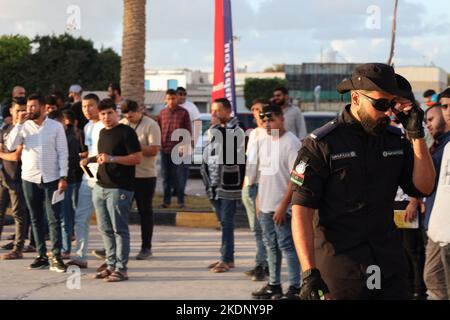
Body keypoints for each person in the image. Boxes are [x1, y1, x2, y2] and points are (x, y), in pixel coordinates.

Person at [290, 63, 436, 300]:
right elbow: (301, 211)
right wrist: (309, 274)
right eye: (380, 104)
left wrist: (417, 135)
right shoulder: (321, 144)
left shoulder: (395, 140)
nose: (388, 112)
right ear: (356, 98)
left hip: (388, 265)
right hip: (341, 269)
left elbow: (424, 187)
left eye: (391, 104)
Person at [6, 93, 69, 273]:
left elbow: (63, 152)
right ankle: (41, 255)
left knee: (54, 218)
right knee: (35, 218)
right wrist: (18, 123)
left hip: (52, 179)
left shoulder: (56, 127)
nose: (30, 110)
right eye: (28, 106)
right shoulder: (23, 127)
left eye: (33, 106)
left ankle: (56, 256)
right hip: (30, 178)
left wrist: (63, 177)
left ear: (42, 108)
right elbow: (10, 145)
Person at [251, 104, 302, 300]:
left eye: (271, 119)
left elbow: (296, 178)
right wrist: (258, 200)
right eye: (263, 120)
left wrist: (283, 205)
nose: (266, 123)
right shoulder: (264, 140)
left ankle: (295, 287)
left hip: (283, 208)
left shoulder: (292, 143)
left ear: (282, 119)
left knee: (287, 247)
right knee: (270, 246)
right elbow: (264, 173)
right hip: (265, 205)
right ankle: (274, 285)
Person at [89, 98, 141, 282]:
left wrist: (112, 159)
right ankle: (110, 265)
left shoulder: (126, 132)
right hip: (101, 187)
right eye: (102, 114)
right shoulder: (102, 132)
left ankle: (121, 268)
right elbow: (104, 156)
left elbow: (136, 158)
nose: (106, 117)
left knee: (119, 230)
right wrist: (89, 160)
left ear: (116, 112)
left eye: (110, 113)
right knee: (105, 229)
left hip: (120, 189)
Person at [201, 98, 246, 273]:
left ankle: (225, 259)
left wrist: (219, 130)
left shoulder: (237, 129)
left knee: (227, 222)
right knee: (222, 222)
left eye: (217, 110)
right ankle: (228, 258)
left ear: (228, 111)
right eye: (212, 110)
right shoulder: (214, 129)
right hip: (213, 183)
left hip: (228, 185)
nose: (213, 114)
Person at [66, 94, 104, 269]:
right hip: (87, 178)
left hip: (105, 181)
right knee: (81, 218)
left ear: (98, 106)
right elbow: (90, 151)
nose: (87, 110)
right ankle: (80, 257)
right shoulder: (87, 127)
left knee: (106, 221)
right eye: (83, 106)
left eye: (90, 106)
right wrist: (85, 157)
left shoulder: (106, 125)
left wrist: (91, 159)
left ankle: (111, 258)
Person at [120, 99, 161, 260]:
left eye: (132, 112)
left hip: (145, 176)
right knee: (121, 212)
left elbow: (154, 150)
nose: (129, 115)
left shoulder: (151, 125)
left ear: (140, 110)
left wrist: (134, 145)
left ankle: (146, 247)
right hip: (125, 176)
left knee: (145, 211)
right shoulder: (122, 124)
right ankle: (118, 246)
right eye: (125, 112)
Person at [423, 88, 450, 299]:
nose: (446, 111)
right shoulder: (443, 146)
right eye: (444, 106)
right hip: (438, 225)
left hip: (444, 228)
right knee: (432, 277)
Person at [48, 110, 83, 260]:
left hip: (66, 181)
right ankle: (59, 247)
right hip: (52, 180)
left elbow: (73, 161)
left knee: (65, 217)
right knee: (56, 216)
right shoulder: (54, 137)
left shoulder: (70, 138)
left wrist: (64, 177)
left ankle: (65, 249)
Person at [242, 99, 269, 281]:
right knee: (256, 229)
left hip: (261, 186)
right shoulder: (254, 134)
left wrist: (252, 182)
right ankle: (261, 262)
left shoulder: (271, 134)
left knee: (263, 230)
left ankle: (264, 265)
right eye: (254, 110)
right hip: (250, 184)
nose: (256, 114)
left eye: (260, 110)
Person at [0, 98, 28, 260]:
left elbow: (16, 156)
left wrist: (3, 154)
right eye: (18, 110)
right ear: (11, 111)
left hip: (18, 179)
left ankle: (18, 248)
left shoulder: (26, 130)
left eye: (24, 110)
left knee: (19, 214)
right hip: (4, 177)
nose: (21, 114)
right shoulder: (5, 129)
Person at [157, 89, 191, 208]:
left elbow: (188, 130)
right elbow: (158, 129)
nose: (171, 101)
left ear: (177, 98)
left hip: (179, 150)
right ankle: (166, 201)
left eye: (173, 98)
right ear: (166, 99)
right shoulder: (162, 113)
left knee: (179, 176)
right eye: (169, 99)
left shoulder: (184, 113)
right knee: (166, 176)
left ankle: (181, 201)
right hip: (165, 149)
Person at [176, 87, 201, 200]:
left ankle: (182, 189)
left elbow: (197, 123)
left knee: (183, 168)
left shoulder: (191, 107)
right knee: (173, 169)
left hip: (186, 141)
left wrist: (194, 140)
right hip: (172, 143)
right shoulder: (170, 106)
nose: (182, 96)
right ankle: (174, 190)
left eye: (184, 94)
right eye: (180, 94)